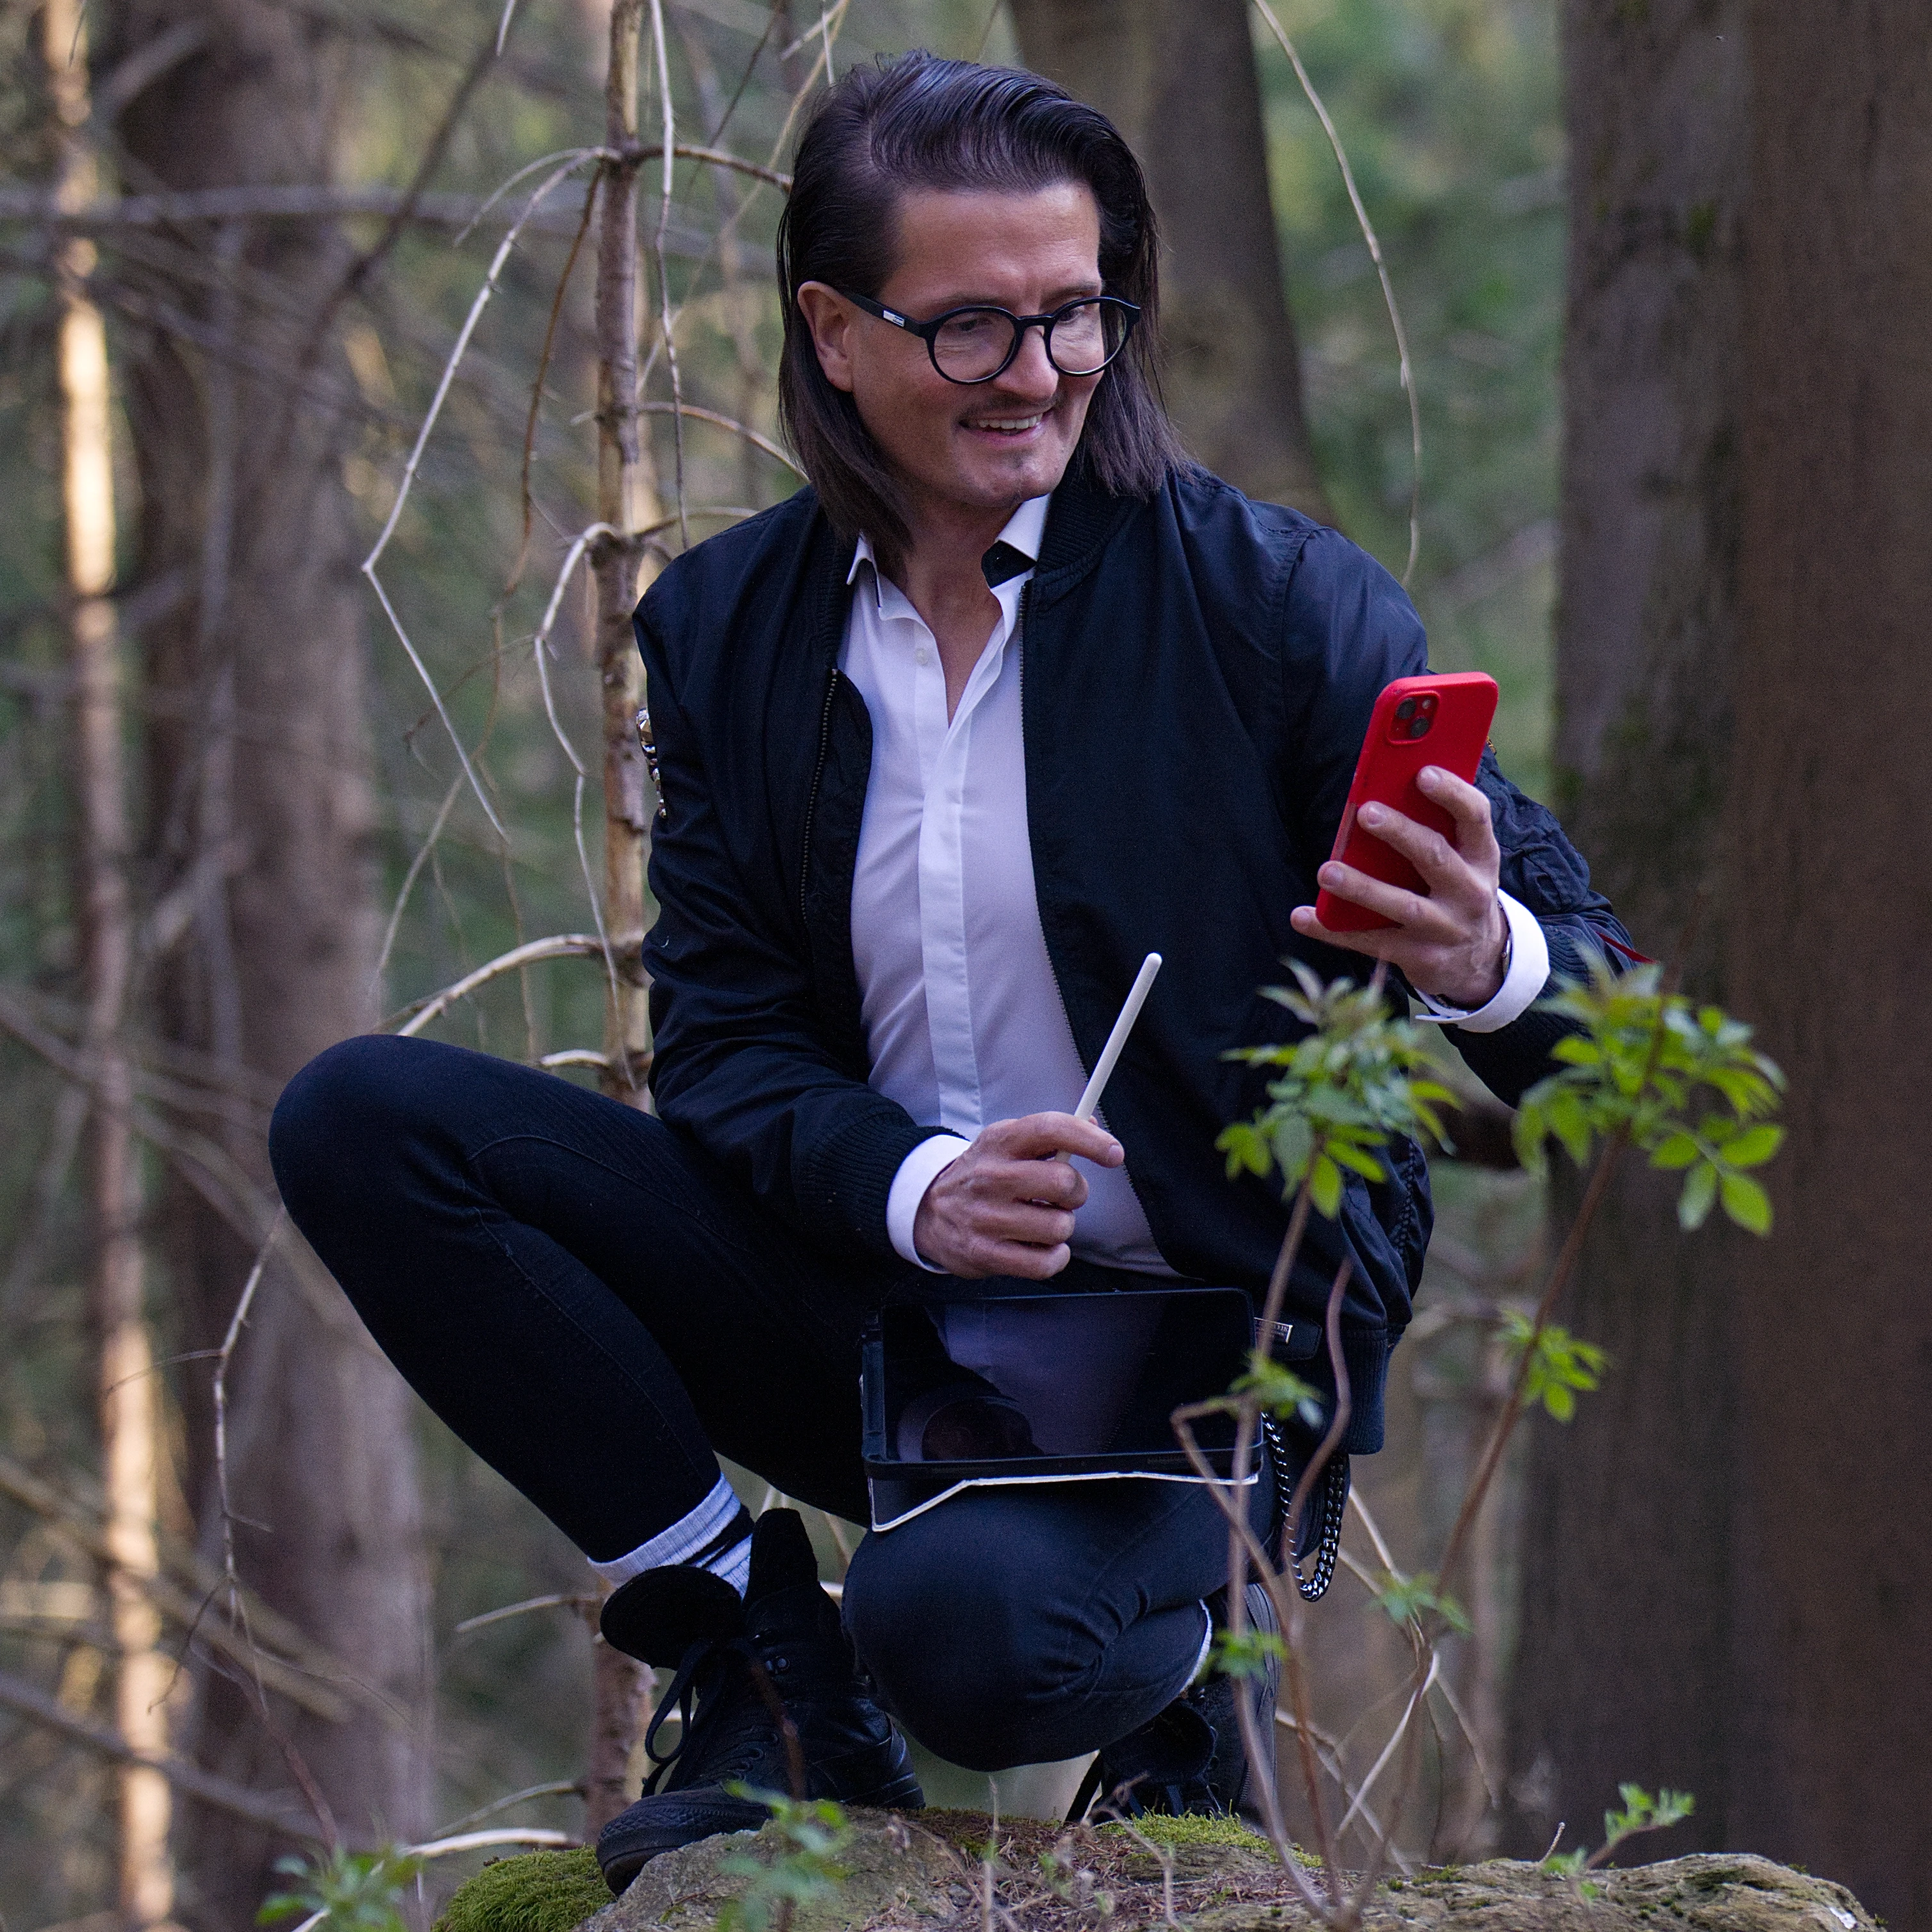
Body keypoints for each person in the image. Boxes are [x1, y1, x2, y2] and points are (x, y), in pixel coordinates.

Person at [268, 53, 1633, 1892]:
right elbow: (732, 1051)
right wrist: (916, 1186)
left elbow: (1604, 1040)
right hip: (887, 1315)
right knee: (365, 1121)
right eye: (971, 325)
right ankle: (753, 1643)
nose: (1043, 370)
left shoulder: (1272, 604)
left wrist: (1481, 955)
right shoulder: (731, 628)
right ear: (833, 331)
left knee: (971, 1641)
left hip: (1207, 1356)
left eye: (1075, 313)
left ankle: (1175, 1684)